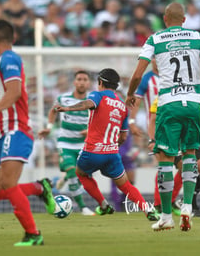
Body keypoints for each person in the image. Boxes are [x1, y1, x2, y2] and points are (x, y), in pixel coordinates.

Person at [126, 2, 200, 231]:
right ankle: (187, 206)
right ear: (184, 19)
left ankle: (166, 216)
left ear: (165, 19)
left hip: (169, 103)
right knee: (189, 154)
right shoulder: (199, 37)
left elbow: (138, 73)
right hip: (193, 102)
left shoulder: (155, 38)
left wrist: (129, 93)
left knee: (165, 159)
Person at [0, 19, 56, 246]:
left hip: (16, 130)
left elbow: (14, 92)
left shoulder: (10, 58)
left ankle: (33, 234)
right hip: (1, 135)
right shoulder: (1, 62)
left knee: (8, 183)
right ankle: (38, 188)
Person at [54, 68, 158, 221]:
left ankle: (103, 204)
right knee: (126, 185)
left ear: (100, 82)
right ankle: (147, 209)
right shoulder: (122, 106)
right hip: (112, 154)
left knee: (81, 173)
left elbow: (88, 104)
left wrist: (68, 108)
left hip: (92, 152)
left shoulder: (98, 95)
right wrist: (110, 145)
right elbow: (123, 137)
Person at [149, 97, 200, 218]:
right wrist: (152, 140)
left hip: (190, 139)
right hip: (171, 140)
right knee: (182, 167)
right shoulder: (163, 95)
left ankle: (183, 201)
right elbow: (153, 120)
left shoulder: (195, 95)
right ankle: (160, 204)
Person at [38, 70, 95, 216]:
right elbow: (53, 111)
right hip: (66, 143)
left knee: (84, 175)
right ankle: (83, 208)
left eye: (84, 79)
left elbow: (99, 120)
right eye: (79, 79)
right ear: (74, 82)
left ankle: (65, 177)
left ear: (88, 83)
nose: (82, 82)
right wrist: (49, 127)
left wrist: (90, 131)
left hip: (85, 144)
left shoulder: (92, 101)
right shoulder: (63, 98)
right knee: (71, 171)